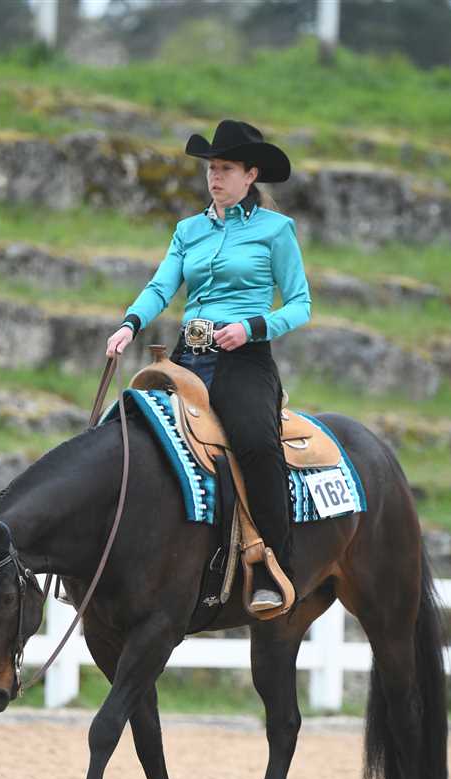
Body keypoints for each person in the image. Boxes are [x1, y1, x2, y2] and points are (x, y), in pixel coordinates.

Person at [106, 120, 311, 613]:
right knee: (124, 429)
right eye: (211, 168)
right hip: (187, 356)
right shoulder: (188, 231)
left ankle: (274, 565)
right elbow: (161, 287)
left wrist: (252, 327)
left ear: (250, 174)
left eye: (226, 168)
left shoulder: (276, 230)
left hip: (245, 358)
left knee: (256, 443)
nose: (214, 177)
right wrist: (130, 324)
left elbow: (300, 304)